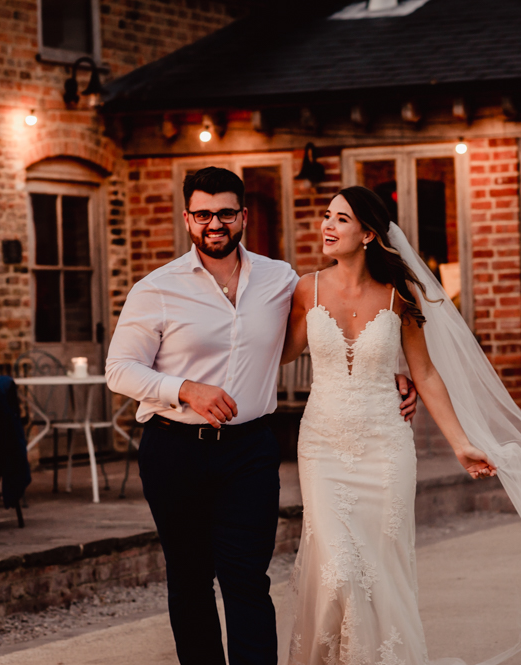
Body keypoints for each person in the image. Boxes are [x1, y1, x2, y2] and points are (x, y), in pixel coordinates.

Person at [280, 186, 521, 665]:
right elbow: (278, 356)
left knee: (382, 567)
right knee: (336, 568)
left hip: (385, 444)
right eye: (326, 216)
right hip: (323, 446)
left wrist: (461, 443)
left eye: (340, 219)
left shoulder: (401, 294)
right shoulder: (306, 289)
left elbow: (424, 372)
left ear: (368, 234)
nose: (327, 226)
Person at [105, 168, 417, 665]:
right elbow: (119, 370)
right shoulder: (156, 289)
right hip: (174, 449)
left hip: (248, 450)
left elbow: (337, 317)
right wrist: (184, 389)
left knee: (247, 579)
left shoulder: (280, 279)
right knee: (189, 580)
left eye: (226, 213)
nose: (215, 223)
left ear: (243, 216)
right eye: (203, 214)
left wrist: (389, 371)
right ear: (187, 218)